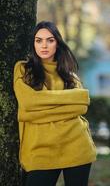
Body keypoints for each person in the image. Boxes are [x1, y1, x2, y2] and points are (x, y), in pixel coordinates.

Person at [13, 21, 97, 186]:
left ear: (57, 44)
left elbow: (81, 106)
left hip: (77, 146)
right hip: (40, 151)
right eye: (39, 40)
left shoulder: (69, 74)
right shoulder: (23, 69)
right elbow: (28, 103)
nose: (44, 45)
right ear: (33, 44)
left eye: (50, 40)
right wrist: (69, 101)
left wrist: (40, 107)